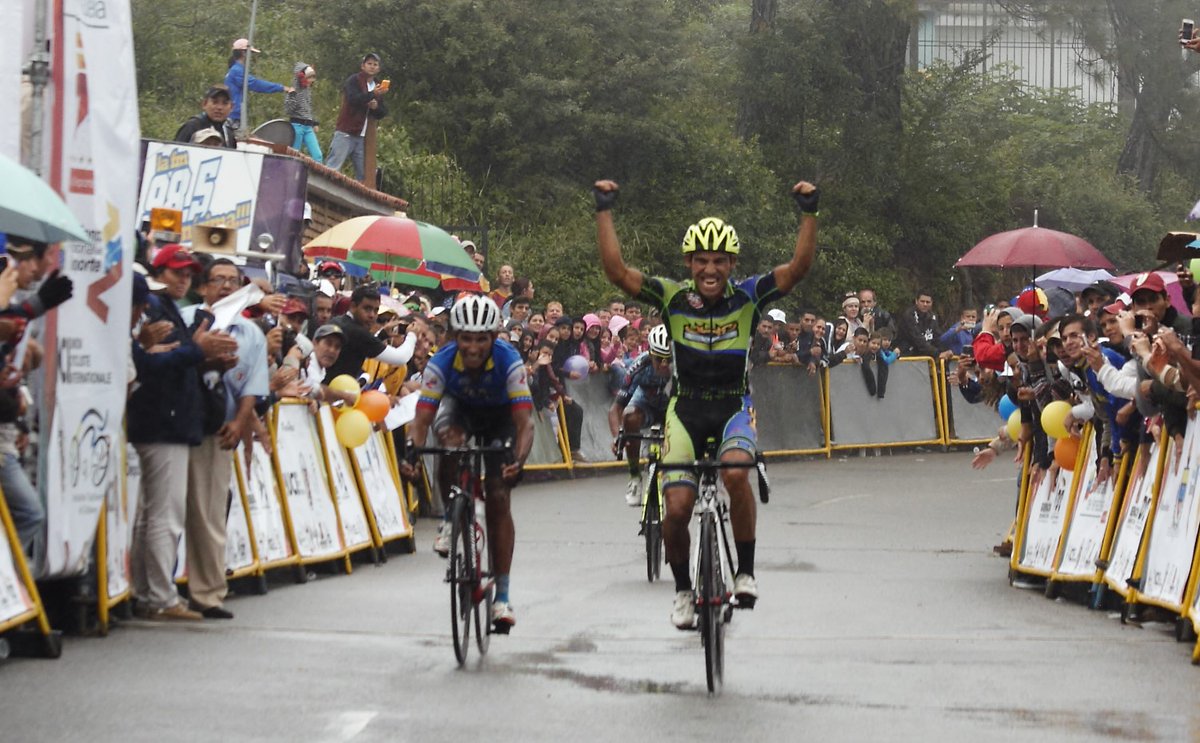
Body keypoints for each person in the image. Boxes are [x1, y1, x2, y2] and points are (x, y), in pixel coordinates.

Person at [593, 176, 819, 629]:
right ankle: (682, 590)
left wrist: (809, 213)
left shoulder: (749, 295)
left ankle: (746, 572)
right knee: (676, 509)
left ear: (732, 262)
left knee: (736, 473)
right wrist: (604, 210)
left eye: (719, 261)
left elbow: (797, 268)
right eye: (701, 260)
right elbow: (617, 272)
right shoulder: (672, 296)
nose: (710, 269)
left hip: (734, 405)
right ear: (689, 262)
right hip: (685, 410)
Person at [398, 295, 534, 632]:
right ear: (456, 337)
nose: (473, 347)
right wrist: (411, 452)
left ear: (492, 338)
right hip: (460, 411)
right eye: (466, 339)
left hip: (501, 417)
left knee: (499, 495)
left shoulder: (510, 361)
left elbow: (525, 425)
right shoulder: (441, 362)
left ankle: (501, 596)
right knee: (451, 445)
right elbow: (422, 418)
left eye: (481, 339)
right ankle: (450, 517)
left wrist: (518, 460)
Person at [129, 245, 238, 621]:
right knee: (164, 514)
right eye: (177, 272)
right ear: (159, 272)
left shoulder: (166, 309)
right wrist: (197, 348)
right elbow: (155, 361)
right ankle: (160, 597)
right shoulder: (155, 309)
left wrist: (205, 355)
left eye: (189, 273)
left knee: (154, 514)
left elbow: (173, 356)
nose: (184, 279)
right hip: (162, 419)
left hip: (167, 418)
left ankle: (149, 593)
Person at [179, 259, 270, 619]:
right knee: (165, 514)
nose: (226, 287)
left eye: (233, 281)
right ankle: (157, 592)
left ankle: (207, 594)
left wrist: (239, 423)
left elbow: (253, 387)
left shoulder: (251, 334)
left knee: (210, 514)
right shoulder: (184, 321)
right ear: (203, 287)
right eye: (218, 280)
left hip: (217, 429)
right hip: (175, 426)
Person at [613, 324, 673, 506]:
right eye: (659, 358)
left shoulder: (683, 365)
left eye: (668, 359)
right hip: (645, 402)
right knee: (629, 416)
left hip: (671, 404)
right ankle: (634, 478)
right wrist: (618, 436)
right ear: (650, 353)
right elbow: (616, 408)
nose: (663, 364)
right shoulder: (640, 364)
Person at [324, 285, 418, 382]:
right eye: (367, 309)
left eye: (376, 310)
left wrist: (382, 335)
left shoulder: (339, 321)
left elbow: (364, 347)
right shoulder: (357, 332)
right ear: (353, 306)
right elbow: (400, 358)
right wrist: (412, 335)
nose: (372, 315)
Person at [325, 53, 389, 182]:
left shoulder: (377, 86)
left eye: (375, 64)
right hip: (346, 132)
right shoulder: (354, 80)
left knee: (365, 174)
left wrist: (375, 107)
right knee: (333, 167)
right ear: (363, 66)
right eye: (369, 64)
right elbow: (353, 99)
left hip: (362, 136)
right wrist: (371, 95)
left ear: (378, 69)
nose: (372, 67)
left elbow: (383, 112)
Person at [223, 39, 293, 131]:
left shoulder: (236, 69)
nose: (251, 56)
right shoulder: (237, 71)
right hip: (233, 115)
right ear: (243, 53)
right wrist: (282, 88)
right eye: (250, 52)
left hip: (235, 113)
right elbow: (255, 84)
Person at [285, 63, 323, 162]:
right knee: (294, 154)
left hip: (308, 127)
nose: (311, 81)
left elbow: (308, 107)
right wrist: (292, 95)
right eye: (309, 78)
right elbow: (288, 110)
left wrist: (313, 122)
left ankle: (315, 176)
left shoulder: (307, 90)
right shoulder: (294, 90)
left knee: (317, 155)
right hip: (297, 126)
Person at [896, 290, 950, 359]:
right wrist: (937, 353)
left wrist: (944, 351)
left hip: (926, 358)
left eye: (928, 302)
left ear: (931, 303)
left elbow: (937, 338)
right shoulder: (909, 315)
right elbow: (917, 340)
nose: (925, 304)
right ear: (916, 301)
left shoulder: (933, 316)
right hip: (908, 356)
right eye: (922, 301)